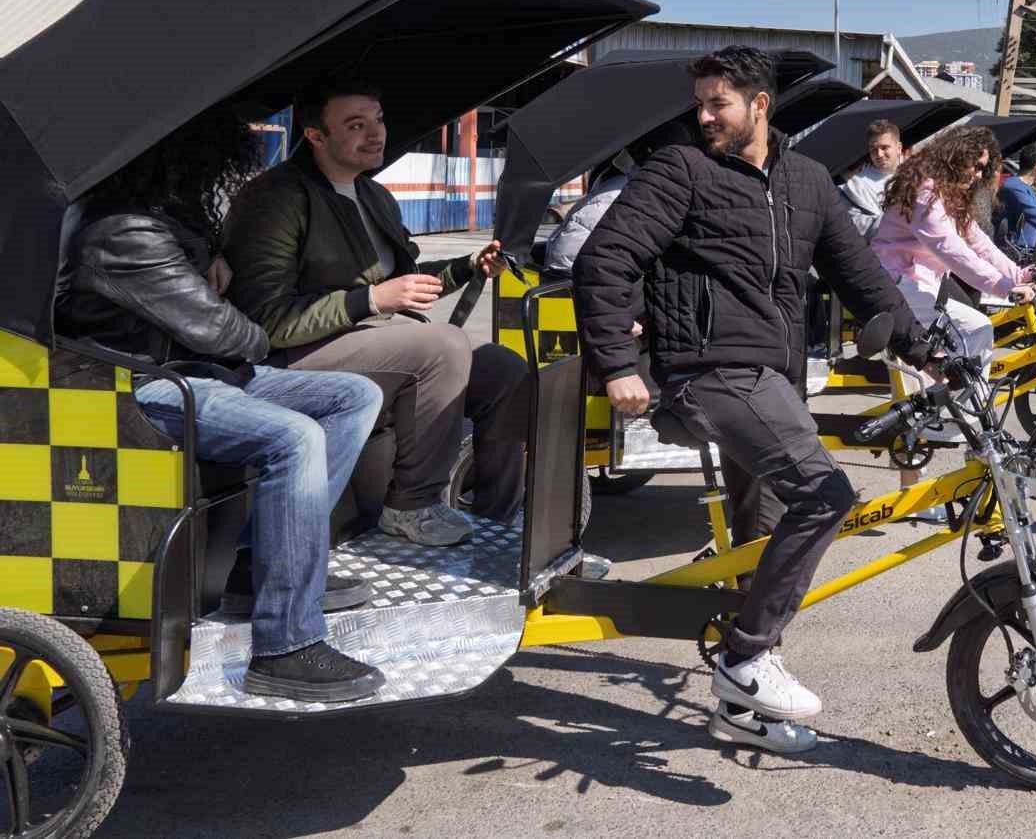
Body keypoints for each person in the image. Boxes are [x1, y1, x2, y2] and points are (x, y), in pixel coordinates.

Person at [572, 46, 926, 755]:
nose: (703, 116)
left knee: (764, 543)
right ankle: (745, 657)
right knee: (826, 496)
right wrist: (615, 361)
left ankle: (743, 702)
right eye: (700, 103)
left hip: (773, 382)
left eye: (717, 103)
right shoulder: (682, 171)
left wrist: (929, 351)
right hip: (708, 374)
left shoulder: (808, 181)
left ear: (759, 106)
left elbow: (863, 279)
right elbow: (605, 259)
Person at [56, 117, 386, 703]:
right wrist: (225, 298)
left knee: (354, 394)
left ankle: (259, 567)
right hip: (138, 386)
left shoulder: (154, 221)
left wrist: (212, 259)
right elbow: (229, 333)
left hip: (190, 373)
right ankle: (285, 646)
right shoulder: (125, 235)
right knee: (295, 437)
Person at [224, 77, 528, 546]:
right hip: (291, 359)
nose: (376, 134)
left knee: (505, 371)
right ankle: (412, 506)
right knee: (442, 346)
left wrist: (468, 266)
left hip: (372, 339)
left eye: (379, 120)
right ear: (315, 136)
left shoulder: (372, 194)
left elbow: (401, 282)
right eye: (355, 124)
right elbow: (267, 320)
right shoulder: (277, 198)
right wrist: (370, 301)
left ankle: (498, 519)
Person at [873, 124, 1036, 376]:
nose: (980, 175)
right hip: (894, 284)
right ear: (958, 156)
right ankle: (967, 413)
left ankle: (951, 404)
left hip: (917, 284)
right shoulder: (925, 191)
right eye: (978, 166)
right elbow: (950, 249)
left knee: (962, 343)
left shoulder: (947, 193)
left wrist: (1019, 275)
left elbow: (978, 242)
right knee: (977, 328)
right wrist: (1004, 286)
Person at [545, 157, 632, 273]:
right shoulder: (614, 186)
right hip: (570, 266)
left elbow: (567, 254)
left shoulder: (615, 188)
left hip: (569, 271)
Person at [838, 118, 903, 240]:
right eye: (873, 149)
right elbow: (857, 225)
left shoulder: (919, 176)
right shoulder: (855, 186)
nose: (879, 154)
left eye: (884, 148)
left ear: (899, 148)